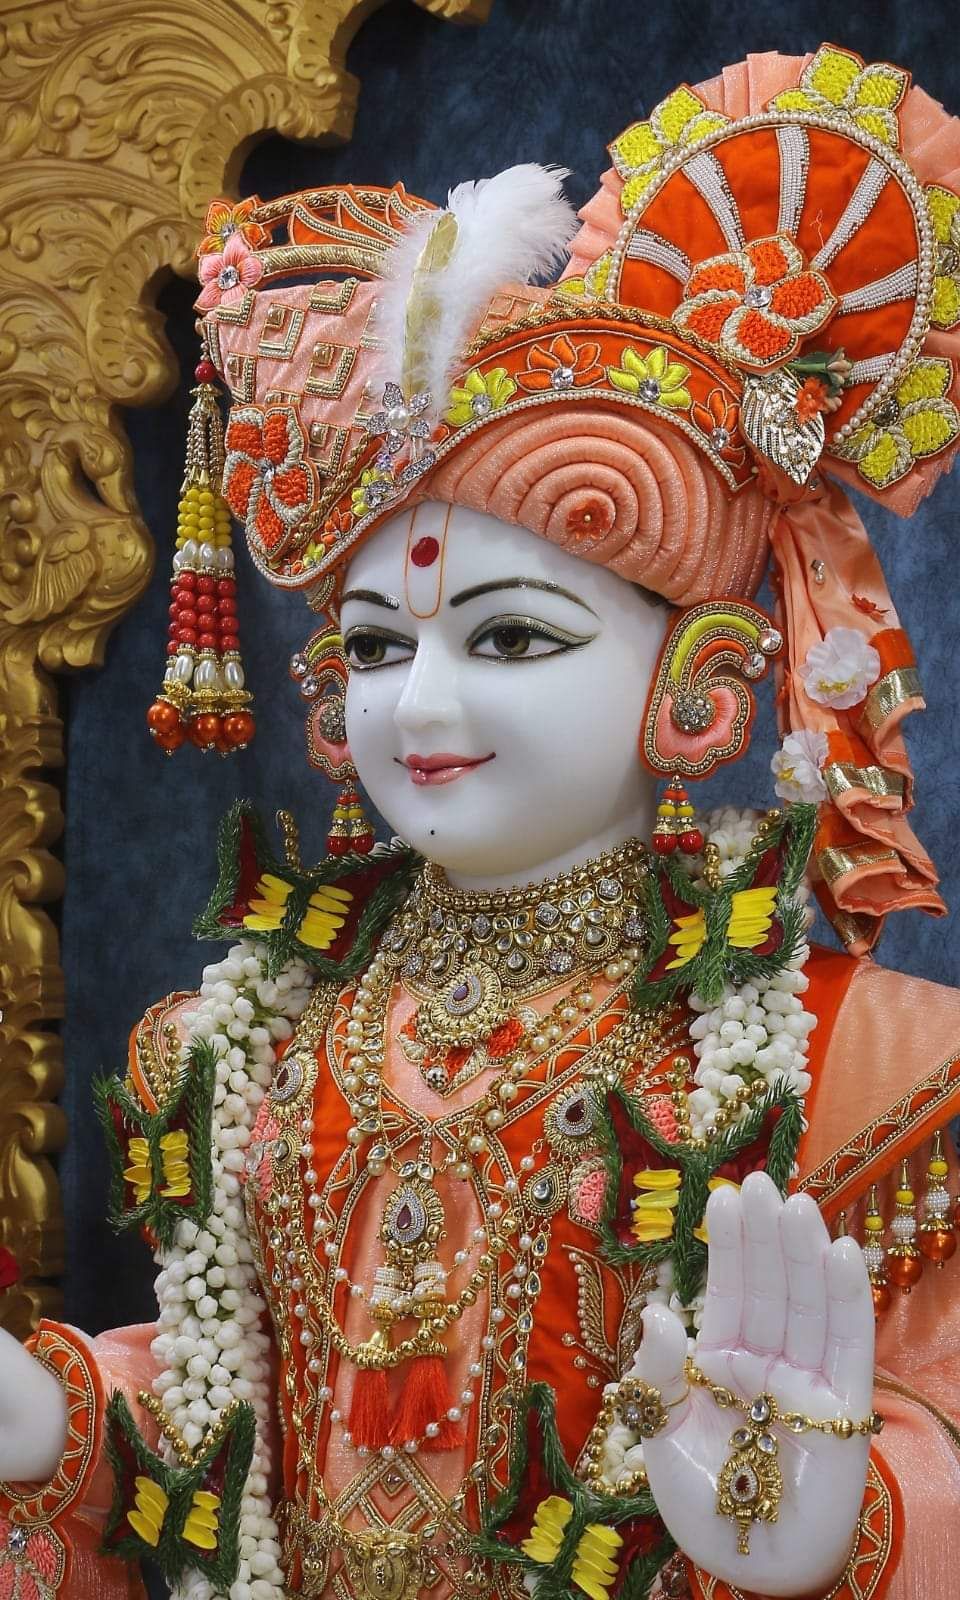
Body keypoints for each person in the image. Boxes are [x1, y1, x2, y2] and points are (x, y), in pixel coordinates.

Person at [3, 42, 960, 1600]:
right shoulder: (243, 1039)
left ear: (700, 684)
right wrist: (53, 1417)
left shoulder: (872, 1071)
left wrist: (827, 1527)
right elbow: (214, 1426)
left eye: (510, 638)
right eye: (375, 646)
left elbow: (933, 1429)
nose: (419, 711)